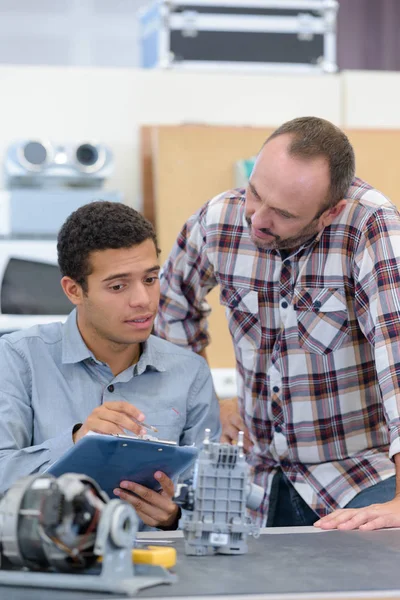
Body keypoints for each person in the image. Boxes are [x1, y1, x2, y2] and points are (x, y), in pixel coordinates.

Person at [155, 116, 400, 531]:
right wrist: (209, 404)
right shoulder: (219, 219)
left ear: (330, 211)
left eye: (283, 214)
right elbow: (171, 306)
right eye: (255, 193)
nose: (258, 220)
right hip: (257, 476)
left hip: (354, 473)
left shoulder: (370, 226)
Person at [0, 201, 220, 530]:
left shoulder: (190, 374)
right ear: (74, 290)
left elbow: (214, 501)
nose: (142, 300)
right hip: (45, 567)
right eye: (118, 286)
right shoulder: (16, 359)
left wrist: (175, 517)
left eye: (150, 279)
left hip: (158, 570)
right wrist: (75, 442)